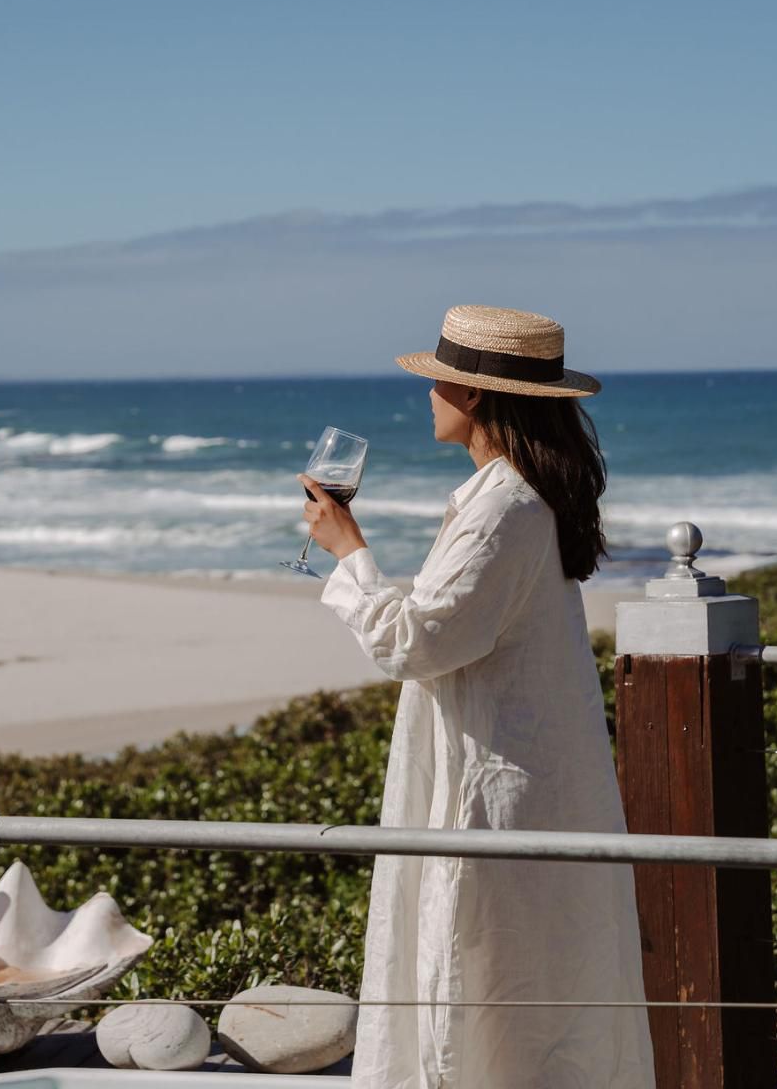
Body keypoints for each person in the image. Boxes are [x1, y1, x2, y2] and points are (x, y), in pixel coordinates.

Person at [299, 304, 654, 1089]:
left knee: (486, 986)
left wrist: (347, 552)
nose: (426, 398)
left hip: (496, 790)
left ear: (479, 398)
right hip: (515, 778)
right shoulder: (513, 500)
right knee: (514, 990)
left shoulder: (505, 509)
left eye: (441, 384)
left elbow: (417, 641)